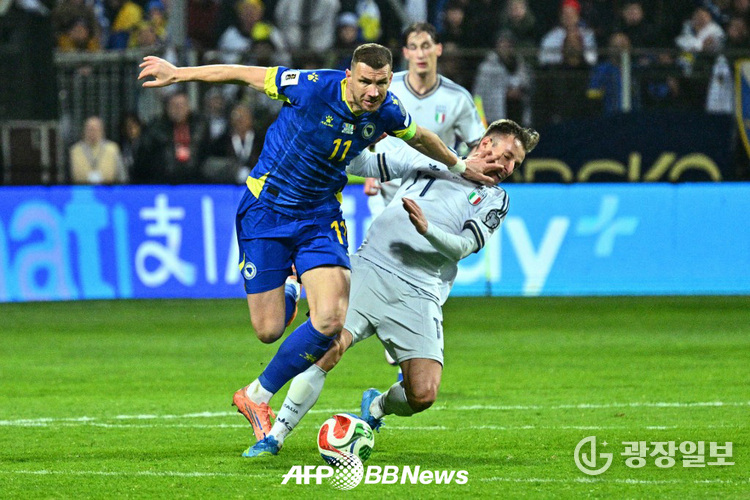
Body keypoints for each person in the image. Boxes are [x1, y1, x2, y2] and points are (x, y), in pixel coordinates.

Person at [138, 43, 501, 443]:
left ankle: (256, 396)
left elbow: (422, 138)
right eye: (365, 81)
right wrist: (179, 74)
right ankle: (291, 287)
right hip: (266, 211)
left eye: (382, 83)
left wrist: (459, 165)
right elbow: (243, 73)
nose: (373, 91)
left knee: (330, 319)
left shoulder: (388, 110)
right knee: (269, 330)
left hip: (319, 216)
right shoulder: (312, 86)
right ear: (349, 76)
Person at [243, 119, 540, 457]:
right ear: (486, 144)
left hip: (421, 290)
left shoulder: (495, 199)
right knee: (327, 348)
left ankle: (376, 407)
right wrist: (362, 137)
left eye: (516, 163)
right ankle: (274, 437)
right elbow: (358, 164)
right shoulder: (431, 156)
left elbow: (462, 247)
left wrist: (427, 229)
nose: (509, 168)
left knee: (423, 394)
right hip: (371, 267)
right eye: (507, 156)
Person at [365, 22, 485, 218]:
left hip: (434, 199)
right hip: (387, 196)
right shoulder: (386, 88)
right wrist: (369, 169)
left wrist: (462, 177)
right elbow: (360, 126)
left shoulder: (458, 97)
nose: (420, 54)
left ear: (438, 49)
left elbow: (479, 145)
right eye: (414, 47)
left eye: (426, 46)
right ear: (405, 53)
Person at [69, 116, 127, 184]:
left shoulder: (112, 148)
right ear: (84, 131)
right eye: (90, 129)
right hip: (82, 188)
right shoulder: (75, 150)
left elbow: (122, 175)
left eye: (96, 129)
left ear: (102, 131)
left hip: (108, 188)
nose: (93, 132)